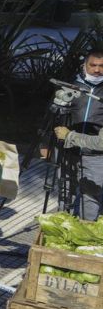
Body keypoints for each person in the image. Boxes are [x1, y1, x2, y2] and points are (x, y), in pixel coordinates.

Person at [53, 50, 103, 222]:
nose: (97, 70)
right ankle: (62, 228)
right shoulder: (70, 88)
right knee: (65, 190)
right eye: (93, 65)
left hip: (95, 154)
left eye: (101, 66)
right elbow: (54, 117)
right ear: (84, 66)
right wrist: (45, 144)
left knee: (91, 196)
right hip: (68, 150)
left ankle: (85, 232)